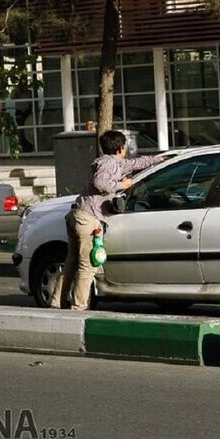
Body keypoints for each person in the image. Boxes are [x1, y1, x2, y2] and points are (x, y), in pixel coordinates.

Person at [50, 130, 165, 310]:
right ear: (121, 147)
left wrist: (158, 159)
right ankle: (78, 306)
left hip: (78, 215)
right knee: (87, 266)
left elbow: (134, 163)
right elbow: (100, 183)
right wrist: (122, 185)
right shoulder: (108, 164)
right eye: (125, 145)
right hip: (89, 218)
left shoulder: (111, 162)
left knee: (71, 263)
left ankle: (57, 302)